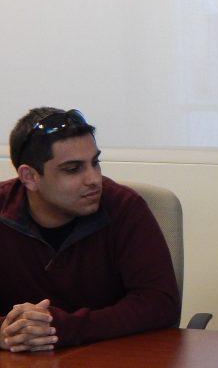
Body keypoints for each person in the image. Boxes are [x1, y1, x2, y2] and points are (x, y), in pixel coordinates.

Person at [1, 108, 181, 351]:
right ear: (30, 177)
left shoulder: (124, 207)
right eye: (73, 169)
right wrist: (7, 332)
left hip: (110, 365)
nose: (94, 179)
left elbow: (160, 304)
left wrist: (62, 328)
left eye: (95, 162)